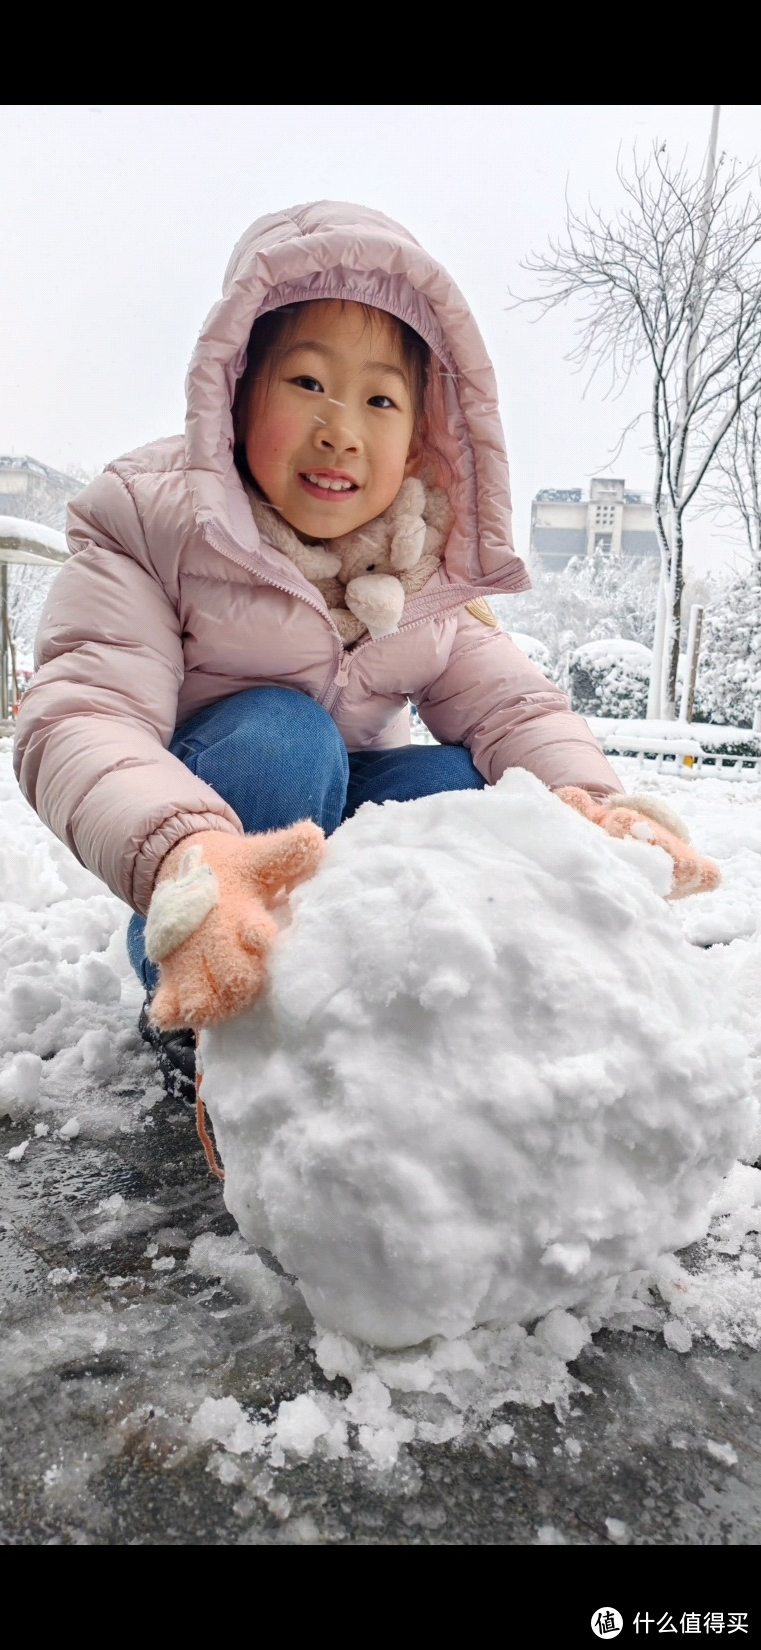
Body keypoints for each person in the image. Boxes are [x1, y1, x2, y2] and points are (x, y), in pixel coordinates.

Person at [13, 203, 718, 1100]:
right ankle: (208, 984)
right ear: (235, 390)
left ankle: (379, 998)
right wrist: (181, 855)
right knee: (286, 732)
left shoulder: (418, 561)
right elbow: (83, 713)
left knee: (466, 792)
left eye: (381, 399)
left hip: (334, 829)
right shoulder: (153, 520)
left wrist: (592, 807)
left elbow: (512, 706)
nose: (342, 427)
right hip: (210, 836)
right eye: (307, 382)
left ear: (419, 431)